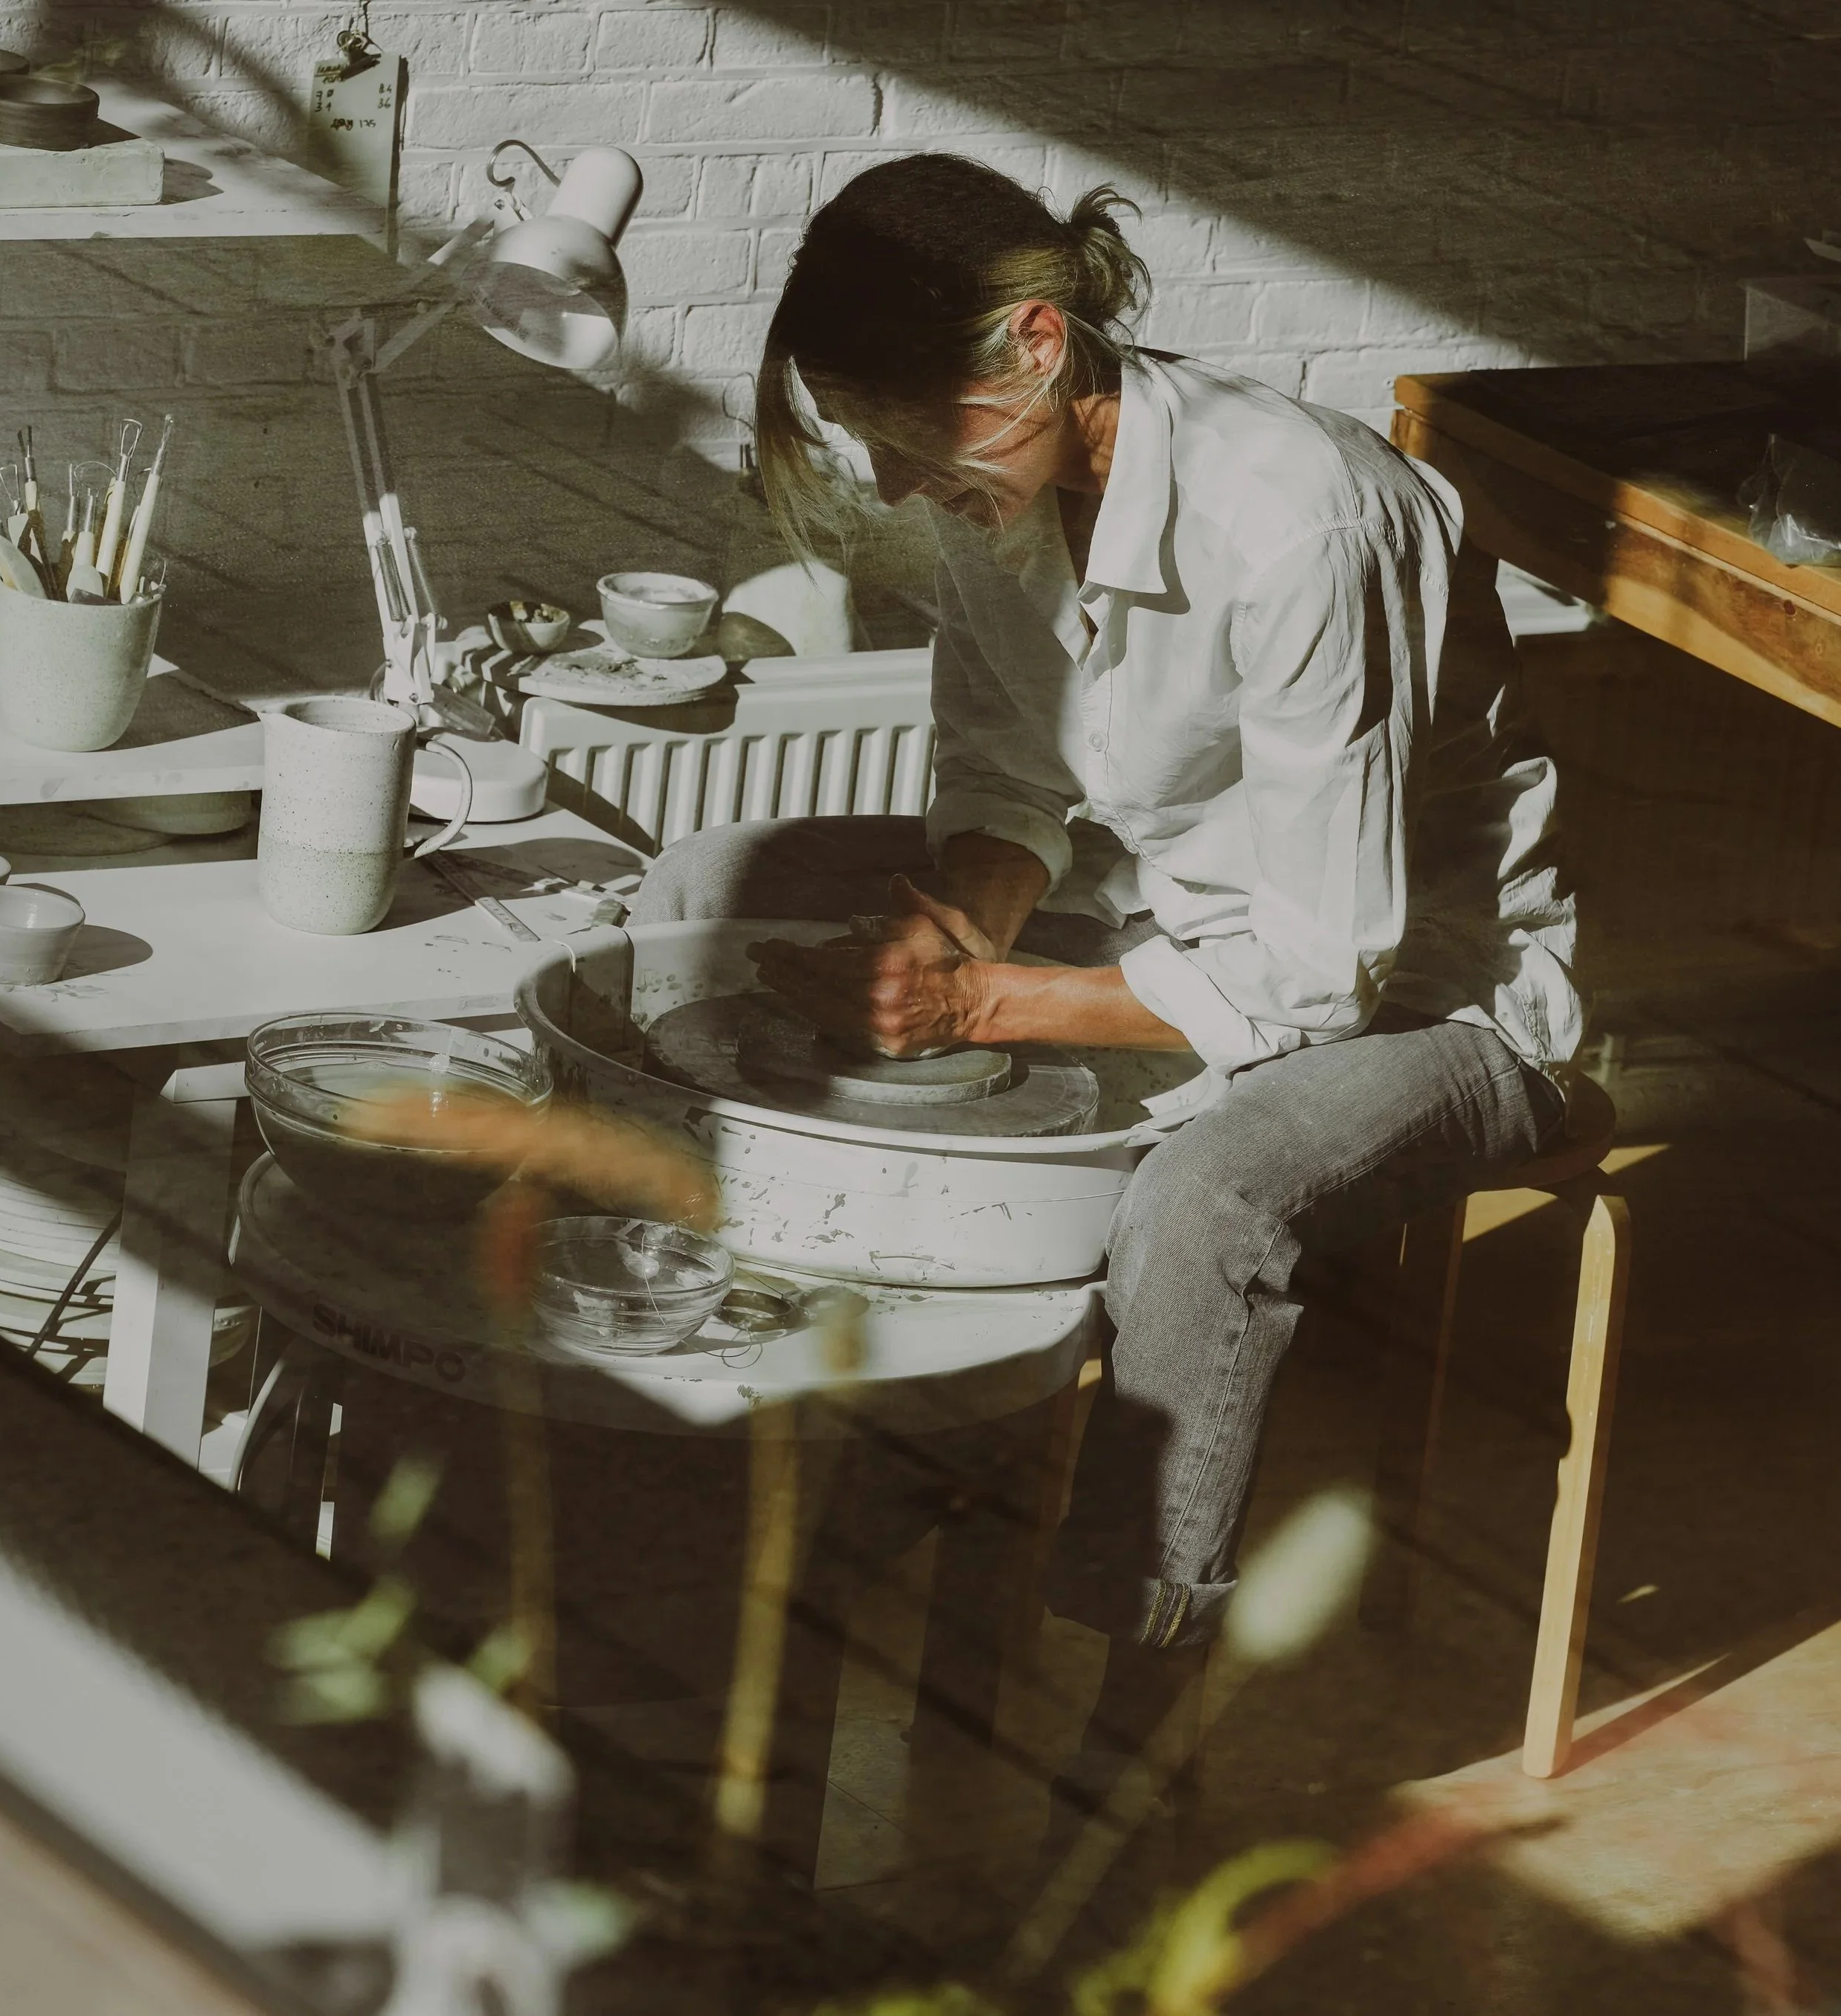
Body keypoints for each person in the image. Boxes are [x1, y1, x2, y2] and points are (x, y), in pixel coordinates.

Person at [634, 151, 1581, 1793]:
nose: (894, 477)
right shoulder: (999, 499)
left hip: (1441, 996)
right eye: (861, 434)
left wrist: (979, 1005)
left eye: (900, 428)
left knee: (1204, 1200)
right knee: (706, 884)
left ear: (1030, 346)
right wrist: (960, 924)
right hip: (1177, 919)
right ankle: (799, 1473)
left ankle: (1124, 1702)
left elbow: (1319, 967)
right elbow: (1009, 788)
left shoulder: (1297, 520)